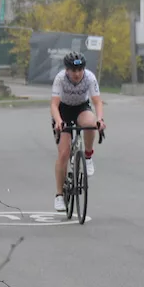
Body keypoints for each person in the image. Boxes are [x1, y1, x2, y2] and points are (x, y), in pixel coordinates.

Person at [50, 51, 105, 212]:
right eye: (73, 70)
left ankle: (88, 156)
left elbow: (97, 102)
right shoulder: (60, 79)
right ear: (67, 70)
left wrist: (100, 119)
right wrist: (58, 121)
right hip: (63, 110)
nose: (77, 73)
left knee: (91, 124)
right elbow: (54, 104)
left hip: (81, 107)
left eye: (80, 69)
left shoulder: (90, 78)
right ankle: (59, 195)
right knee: (63, 153)